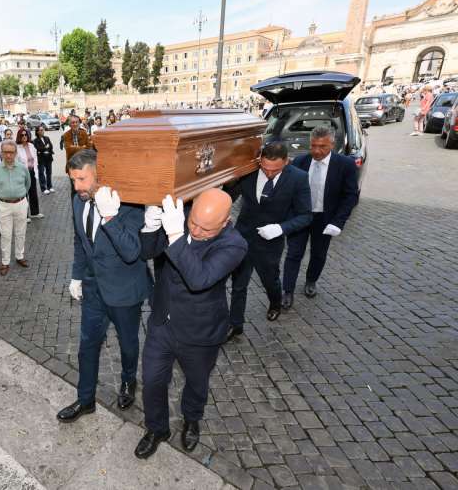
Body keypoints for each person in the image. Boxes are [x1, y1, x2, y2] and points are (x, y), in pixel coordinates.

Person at [135, 190, 247, 459]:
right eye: (193, 222)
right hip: (163, 321)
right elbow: (147, 253)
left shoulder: (234, 244)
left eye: (205, 228)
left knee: (197, 383)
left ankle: (192, 419)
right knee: (151, 381)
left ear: (225, 222)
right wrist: (151, 226)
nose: (196, 230)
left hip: (200, 330)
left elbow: (199, 279)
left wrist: (175, 235)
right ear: (192, 208)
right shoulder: (179, 216)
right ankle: (157, 428)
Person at [57, 149, 151, 422]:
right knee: (87, 345)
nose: (77, 187)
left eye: (82, 179)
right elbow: (80, 242)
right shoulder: (78, 201)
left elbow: (132, 251)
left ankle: (128, 382)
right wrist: (76, 276)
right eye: (73, 180)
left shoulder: (129, 204)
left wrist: (110, 217)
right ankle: (85, 400)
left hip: (124, 290)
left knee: (128, 343)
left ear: (100, 175)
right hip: (93, 289)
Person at [226, 142, 312, 341]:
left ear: (286, 162)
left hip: (271, 240)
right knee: (239, 282)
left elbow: (305, 215)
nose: (270, 173)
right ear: (260, 161)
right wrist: (229, 183)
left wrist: (280, 228)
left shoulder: (298, 178)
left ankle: (275, 302)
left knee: (269, 279)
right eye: (265, 168)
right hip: (244, 235)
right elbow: (228, 196)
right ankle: (235, 324)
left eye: (275, 170)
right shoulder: (248, 172)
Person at [282, 127, 359, 309]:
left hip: (325, 219)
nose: (317, 151)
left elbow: (350, 196)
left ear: (332, 145)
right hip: (300, 217)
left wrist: (338, 222)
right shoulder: (300, 161)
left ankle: (311, 281)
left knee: (318, 254)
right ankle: (287, 290)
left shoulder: (345, 165)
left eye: (322, 147)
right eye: (313, 146)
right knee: (293, 254)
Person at [0, 140, 30, 276]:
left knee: (20, 232)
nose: (8, 156)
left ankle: (19, 256)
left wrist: (18, 195)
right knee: (5, 234)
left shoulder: (23, 168)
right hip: (4, 205)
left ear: (15, 153)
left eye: (11, 153)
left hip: (21, 203)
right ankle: (5, 261)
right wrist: (4, 196)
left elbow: (27, 184)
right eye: (5, 152)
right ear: (1, 153)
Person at [15, 129, 43, 219]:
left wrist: (36, 171)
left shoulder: (31, 145)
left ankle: (35, 213)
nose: (24, 136)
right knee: (24, 194)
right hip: (22, 173)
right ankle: (25, 215)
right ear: (19, 136)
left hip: (31, 172)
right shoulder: (17, 148)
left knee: (33, 192)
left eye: (25, 135)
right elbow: (16, 163)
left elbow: (35, 159)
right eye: (22, 135)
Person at [33, 125, 55, 194]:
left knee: (49, 173)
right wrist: (45, 147)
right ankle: (43, 188)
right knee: (41, 173)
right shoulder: (35, 140)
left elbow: (51, 146)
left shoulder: (47, 138)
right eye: (41, 130)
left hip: (48, 157)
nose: (43, 131)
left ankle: (50, 186)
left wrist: (43, 149)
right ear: (37, 132)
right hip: (41, 159)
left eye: (43, 130)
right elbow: (38, 149)